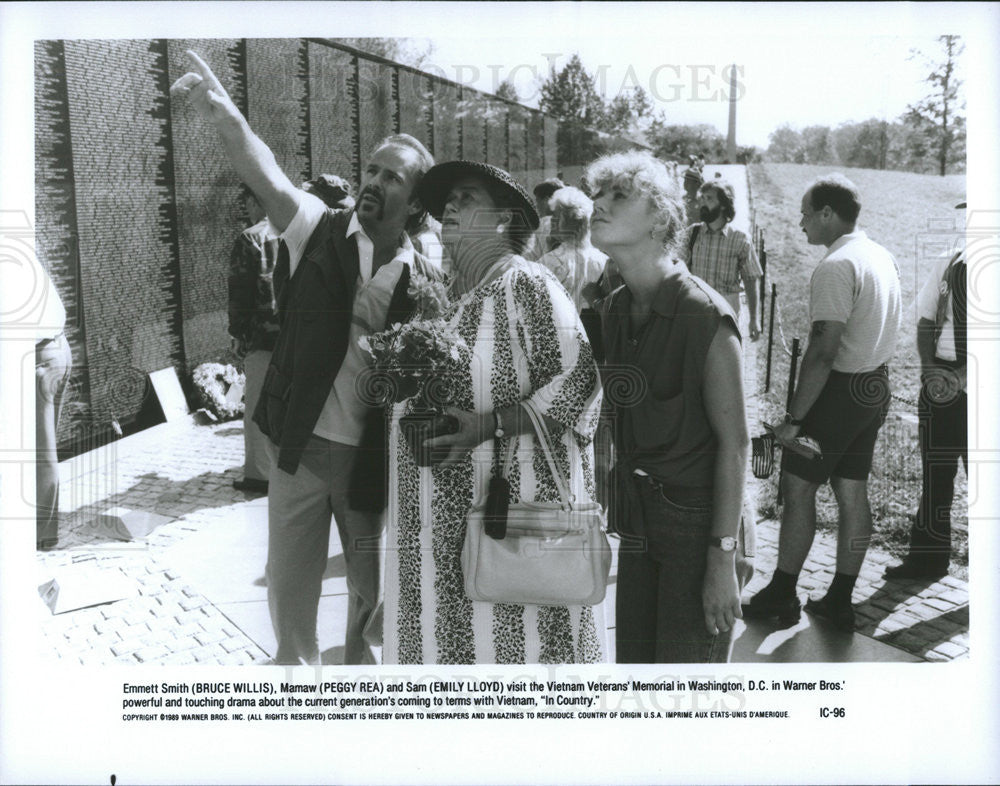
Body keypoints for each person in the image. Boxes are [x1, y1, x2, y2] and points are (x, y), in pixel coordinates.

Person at [172, 51, 443, 665]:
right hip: (299, 448)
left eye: (391, 177)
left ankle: (353, 711)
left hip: (369, 462)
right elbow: (264, 170)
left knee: (368, 608)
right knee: (291, 609)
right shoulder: (317, 227)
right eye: (370, 170)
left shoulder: (426, 276)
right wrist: (223, 113)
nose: (373, 182)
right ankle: (296, 696)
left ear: (416, 199)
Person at [379, 160, 607, 664]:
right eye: (446, 204)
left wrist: (490, 426)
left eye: (466, 198)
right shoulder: (453, 301)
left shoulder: (526, 284)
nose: (450, 209)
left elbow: (580, 381)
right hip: (439, 557)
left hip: (511, 546)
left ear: (504, 220)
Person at [586, 150, 754, 663]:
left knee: (684, 700)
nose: (598, 203)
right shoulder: (614, 309)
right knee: (637, 681)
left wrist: (722, 560)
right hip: (639, 520)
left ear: (660, 218)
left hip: (700, 524)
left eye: (618, 195)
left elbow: (737, 444)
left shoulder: (703, 314)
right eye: (598, 192)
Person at [744, 174, 902, 631]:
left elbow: (822, 351)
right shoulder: (879, 254)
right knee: (852, 493)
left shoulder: (837, 265)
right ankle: (839, 599)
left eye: (806, 212)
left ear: (829, 214)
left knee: (798, 490)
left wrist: (793, 420)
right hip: (872, 388)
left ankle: (781, 593)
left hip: (838, 393)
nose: (800, 222)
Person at [228, 177, 354, 494]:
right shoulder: (321, 234)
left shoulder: (252, 238)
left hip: (265, 336)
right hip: (302, 336)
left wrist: (239, 334)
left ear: (258, 201)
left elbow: (240, 293)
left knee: (259, 403)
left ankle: (260, 475)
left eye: (249, 202)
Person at [884, 203, 968, 580]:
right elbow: (925, 320)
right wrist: (930, 370)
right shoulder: (949, 262)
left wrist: (966, 378)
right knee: (936, 473)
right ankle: (927, 560)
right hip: (939, 381)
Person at [684, 179, 762, 339]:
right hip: (695, 312)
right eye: (703, 198)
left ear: (724, 204)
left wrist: (754, 319)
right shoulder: (692, 233)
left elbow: (751, 280)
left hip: (726, 314)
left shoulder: (740, 239)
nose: (703, 203)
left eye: (710, 198)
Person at [34, 265, 73, 551]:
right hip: (58, 348)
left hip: (39, 358)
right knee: (44, 446)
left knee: (40, 449)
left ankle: (42, 534)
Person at [537, 186, 608, 314]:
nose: (551, 220)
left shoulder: (549, 261)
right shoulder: (603, 260)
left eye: (556, 216)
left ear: (568, 221)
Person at [524, 177, 564, 260]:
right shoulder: (571, 221)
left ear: (547, 200)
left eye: (538, 201)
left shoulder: (544, 223)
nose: (536, 205)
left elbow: (531, 255)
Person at [682, 156, 703, 224]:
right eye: (685, 180)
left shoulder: (702, 202)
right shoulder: (682, 200)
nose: (685, 183)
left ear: (697, 184)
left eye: (688, 181)